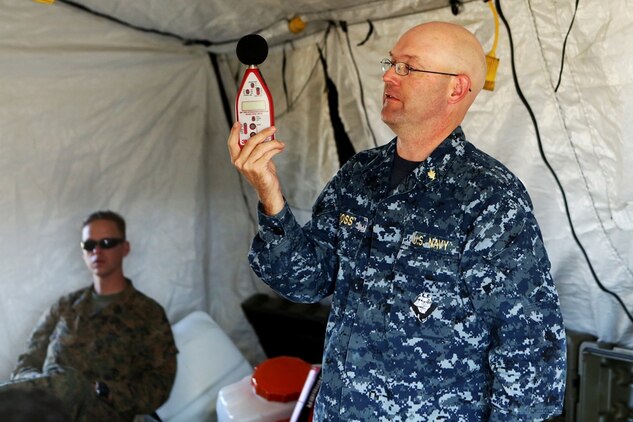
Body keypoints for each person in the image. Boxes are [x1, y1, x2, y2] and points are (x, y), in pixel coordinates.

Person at [228, 21, 567, 421]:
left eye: (408, 67)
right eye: (391, 63)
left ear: (455, 89)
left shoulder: (490, 199)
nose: (389, 74)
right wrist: (268, 191)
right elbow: (307, 282)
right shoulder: (360, 174)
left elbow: (530, 354)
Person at [0, 210, 178, 421]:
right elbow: (28, 360)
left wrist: (101, 390)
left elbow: (158, 387)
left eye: (107, 243)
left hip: (101, 412)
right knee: (59, 385)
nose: (97, 251)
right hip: (47, 412)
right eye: (89, 245)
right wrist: (43, 387)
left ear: (125, 248)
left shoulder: (148, 313)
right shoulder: (65, 307)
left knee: (72, 383)